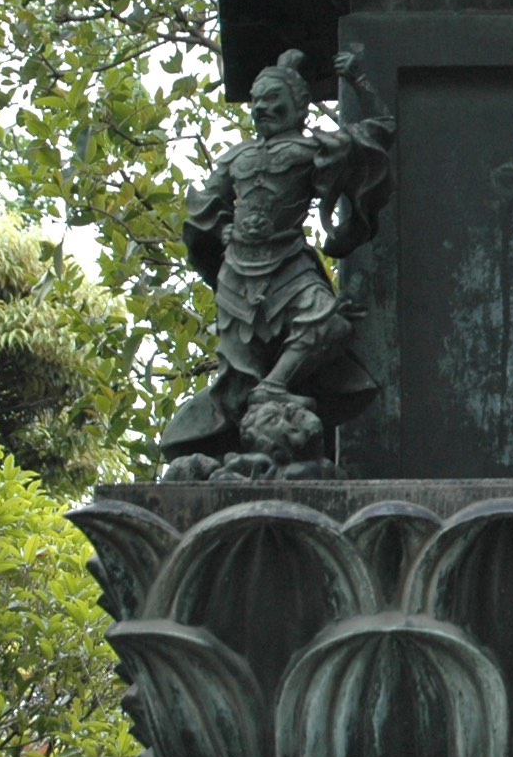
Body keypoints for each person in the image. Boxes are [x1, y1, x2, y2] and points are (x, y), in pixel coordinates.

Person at [160, 47, 394, 466]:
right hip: (238, 271)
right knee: (238, 368)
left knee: (328, 323)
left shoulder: (313, 148)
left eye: (273, 99)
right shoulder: (237, 156)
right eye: (257, 102)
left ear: (299, 105)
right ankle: (242, 438)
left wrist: (359, 81)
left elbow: (380, 130)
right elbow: (205, 203)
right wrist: (220, 226)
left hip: (289, 261)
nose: (262, 108)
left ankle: (276, 384)